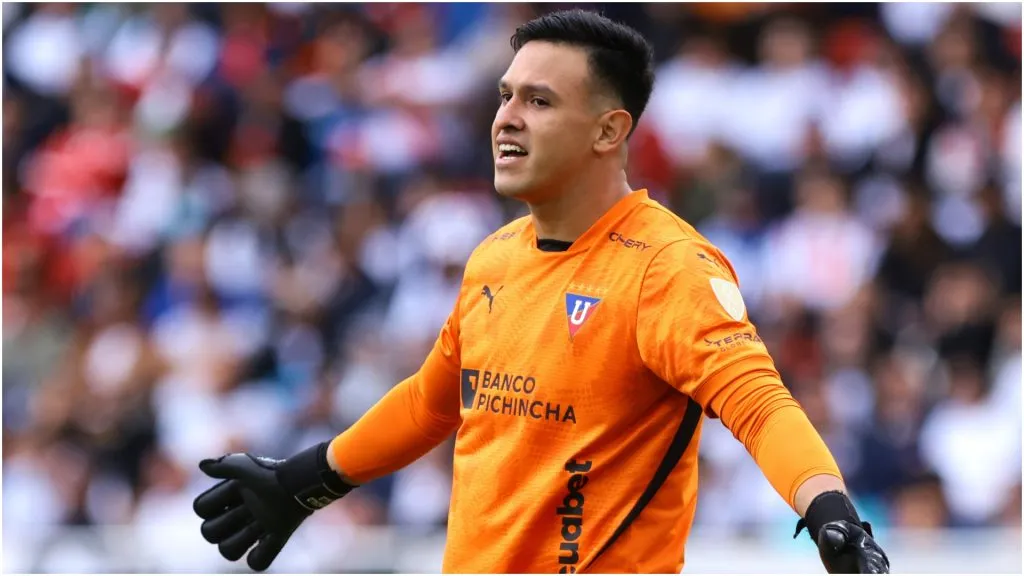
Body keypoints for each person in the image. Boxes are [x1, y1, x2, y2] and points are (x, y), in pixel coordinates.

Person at [193, 9, 890, 574]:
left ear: (609, 131)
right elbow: (432, 401)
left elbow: (759, 406)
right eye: (505, 96)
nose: (507, 118)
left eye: (539, 100)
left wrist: (829, 511)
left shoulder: (667, 266)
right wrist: (308, 480)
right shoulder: (494, 258)